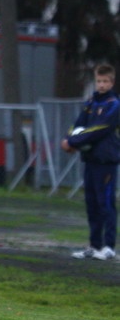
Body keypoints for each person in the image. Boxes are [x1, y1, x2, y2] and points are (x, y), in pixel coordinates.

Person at [62, 63, 120, 261]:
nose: (101, 85)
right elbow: (78, 125)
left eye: (105, 81)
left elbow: (98, 129)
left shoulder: (114, 105)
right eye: (98, 81)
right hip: (91, 160)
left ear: (112, 82)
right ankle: (94, 246)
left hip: (107, 162)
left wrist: (73, 142)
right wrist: (70, 139)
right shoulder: (90, 103)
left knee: (106, 203)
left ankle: (109, 246)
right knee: (92, 204)